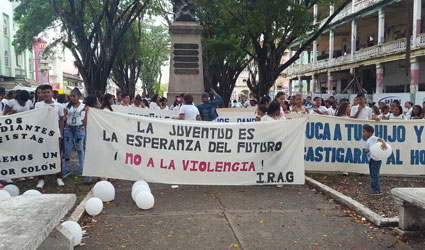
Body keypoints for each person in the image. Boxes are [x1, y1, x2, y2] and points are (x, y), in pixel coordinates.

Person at [34, 85, 65, 188]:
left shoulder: (59, 106)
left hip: (54, 134)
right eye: (44, 93)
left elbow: (61, 119)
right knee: (41, 155)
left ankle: (59, 178)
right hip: (42, 134)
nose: (46, 94)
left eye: (48, 92)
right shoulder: (38, 105)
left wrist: (60, 133)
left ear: (52, 93)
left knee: (57, 156)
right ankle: (41, 179)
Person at [63, 88, 87, 181]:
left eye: (74, 96)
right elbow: (64, 117)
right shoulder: (66, 106)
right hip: (68, 128)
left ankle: (81, 169)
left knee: (80, 149)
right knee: (67, 149)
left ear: (79, 97)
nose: (72, 98)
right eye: (71, 96)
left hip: (79, 128)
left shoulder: (84, 106)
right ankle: (67, 169)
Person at [362, 125, 387, 195]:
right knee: (373, 174)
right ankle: (376, 189)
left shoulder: (372, 138)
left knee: (375, 175)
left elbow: (380, 139)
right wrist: (367, 150)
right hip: (372, 159)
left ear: (369, 133)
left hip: (376, 159)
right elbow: (370, 149)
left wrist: (384, 143)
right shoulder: (368, 140)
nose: (362, 133)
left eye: (364, 132)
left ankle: (376, 190)